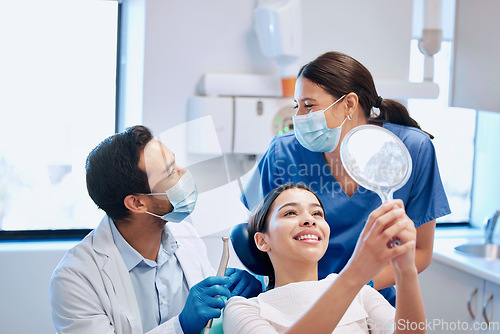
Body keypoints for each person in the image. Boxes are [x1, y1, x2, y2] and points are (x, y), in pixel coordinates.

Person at [241, 51, 451, 305]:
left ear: (349, 104)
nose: (299, 118)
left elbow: (420, 252)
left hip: (372, 303)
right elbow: (259, 234)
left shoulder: (410, 150)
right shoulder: (283, 152)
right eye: (297, 106)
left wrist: (357, 287)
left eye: (309, 105)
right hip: (297, 302)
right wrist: (252, 276)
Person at [50, 125, 262, 334]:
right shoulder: (76, 279)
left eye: (175, 163)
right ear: (137, 203)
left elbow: (210, 319)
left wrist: (241, 297)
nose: (184, 173)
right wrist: (181, 326)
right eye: (170, 172)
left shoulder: (185, 236)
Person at [224, 183, 426, 334]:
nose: (309, 220)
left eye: (317, 213)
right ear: (262, 241)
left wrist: (406, 271)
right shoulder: (244, 309)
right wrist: (357, 271)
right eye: (290, 212)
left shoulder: (361, 295)